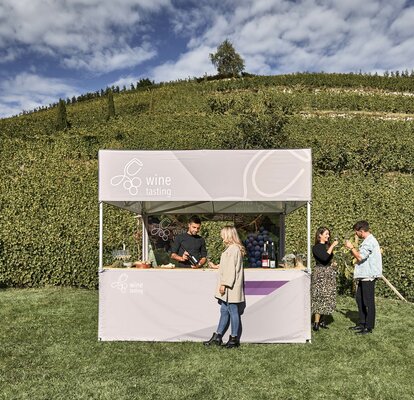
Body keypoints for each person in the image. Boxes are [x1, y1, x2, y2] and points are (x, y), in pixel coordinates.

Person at [204, 226, 245, 348]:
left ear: (228, 235)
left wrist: (224, 284)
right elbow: (228, 266)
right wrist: (218, 266)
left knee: (233, 311)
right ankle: (218, 336)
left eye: (223, 234)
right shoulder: (232, 249)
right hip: (229, 286)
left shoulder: (233, 249)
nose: (221, 237)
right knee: (224, 310)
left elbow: (231, 270)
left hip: (230, 287)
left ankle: (233, 338)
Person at [345, 220, 382, 335]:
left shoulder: (369, 242)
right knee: (359, 299)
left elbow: (360, 257)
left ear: (361, 231)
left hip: (368, 276)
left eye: (356, 232)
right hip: (363, 275)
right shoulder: (367, 240)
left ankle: (368, 326)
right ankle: (362, 323)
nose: (356, 235)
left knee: (368, 301)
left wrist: (351, 247)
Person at [311, 227, 339, 331]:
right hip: (320, 274)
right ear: (320, 235)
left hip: (328, 273)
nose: (328, 236)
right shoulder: (316, 247)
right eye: (326, 234)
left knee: (328, 297)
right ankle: (316, 323)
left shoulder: (327, 246)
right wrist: (332, 246)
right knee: (319, 297)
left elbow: (327, 260)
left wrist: (333, 264)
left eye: (328, 234)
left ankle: (323, 321)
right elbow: (324, 257)